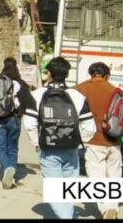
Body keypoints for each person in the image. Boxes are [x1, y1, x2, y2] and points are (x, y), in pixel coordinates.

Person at [23, 57, 96, 219]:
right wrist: (79, 142)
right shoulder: (78, 96)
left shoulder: (36, 95)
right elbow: (90, 127)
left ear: (48, 74)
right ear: (67, 74)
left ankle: (66, 217)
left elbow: (29, 124)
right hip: (71, 149)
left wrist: (36, 143)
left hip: (48, 149)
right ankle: (67, 214)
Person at [75, 62, 122, 220]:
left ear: (91, 74)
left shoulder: (80, 89)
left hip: (93, 141)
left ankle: (105, 209)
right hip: (114, 141)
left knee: (97, 176)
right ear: (107, 75)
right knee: (114, 176)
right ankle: (113, 207)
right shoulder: (117, 91)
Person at [0, 57, 36, 190]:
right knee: (12, 147)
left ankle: (7, 167)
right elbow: (30, 103)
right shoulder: (20, 83)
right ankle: (11, 172)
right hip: (14, 118)